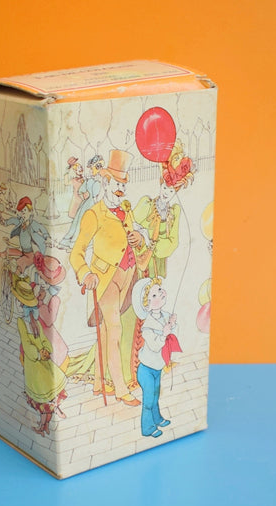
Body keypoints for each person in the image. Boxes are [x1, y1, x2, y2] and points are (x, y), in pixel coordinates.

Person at [69, 149, 148, 407]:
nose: (120, 189)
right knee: (114, 329)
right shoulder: (94, 214)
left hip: (127, 276)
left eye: (123, 185)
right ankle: (121, 389)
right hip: (105, 280)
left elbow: (131, 239)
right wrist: (85, 273)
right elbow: (76, 252)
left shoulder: (127, 210)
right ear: (104, 183)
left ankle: (99, 381)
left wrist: (139, 238)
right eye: (116, 184)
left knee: (105, 330)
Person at [14, 279, 68, 437]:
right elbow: (26, 342)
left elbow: (44, 338)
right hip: (34, 364)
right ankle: (44, 425)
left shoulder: (35, 320)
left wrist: (46, 350)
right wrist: (38, 354)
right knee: (43, 395)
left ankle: (45, 425)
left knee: (49, 391)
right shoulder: (22, 321)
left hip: (43, 362)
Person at [132, 277, 182, 438]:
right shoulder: (147, 325)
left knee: (155, 395)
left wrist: (172, 324)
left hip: (157, 367)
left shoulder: (165, 315)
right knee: (148, 399)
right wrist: (164, 334)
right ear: (146, 305)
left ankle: (157, 419)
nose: (159, 294)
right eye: (154, 295)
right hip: (146, 369)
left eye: (159, 290)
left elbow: (173, 331)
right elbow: (154, 345)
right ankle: (147, 428)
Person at [0, 196, 51, 274]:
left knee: (21, 262)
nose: (23, 213)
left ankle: (17, 274)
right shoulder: (20, 222)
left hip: (31, 255)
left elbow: (41, 228)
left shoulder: (32, 224)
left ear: (30, 212)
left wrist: (47, 237)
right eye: (22, 211)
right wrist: (2, 220)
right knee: (9, 251)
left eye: (25, 211)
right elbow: (11, 221)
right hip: (23, 252)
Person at [59, 154, 103, 250]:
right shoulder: (87, 181)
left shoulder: (94, 181)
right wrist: (84, 195)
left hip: (91, 204)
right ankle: (72, 242)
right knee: (79, 222)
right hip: (85, 204)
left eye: (91, 169)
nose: (89, 171)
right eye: (90, 169)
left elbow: (98, 194)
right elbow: (81, 191)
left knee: (88, 223)